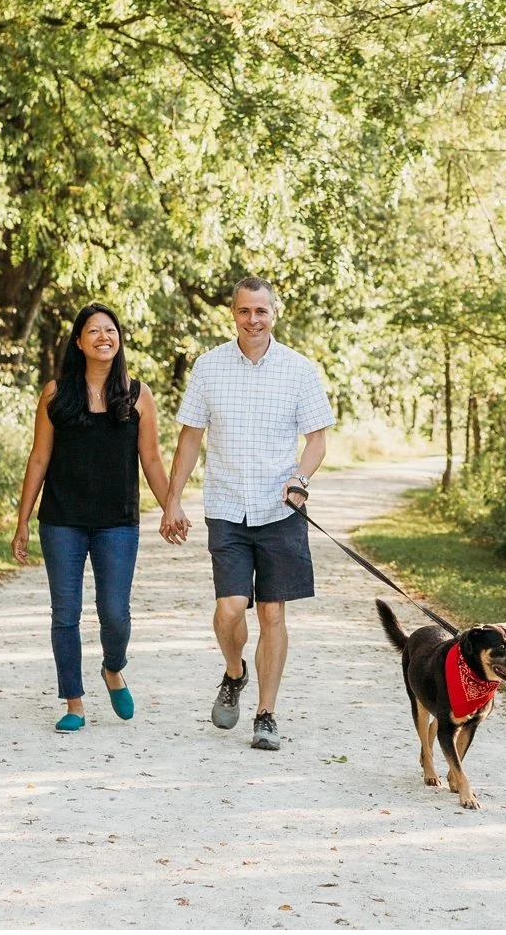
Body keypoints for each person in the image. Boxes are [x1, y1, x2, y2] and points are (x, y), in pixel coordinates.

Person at [161, 276, 336, 752]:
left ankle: (266, 713)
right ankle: (234, 672)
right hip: (227, 507)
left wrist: (301, 477)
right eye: (244, 311)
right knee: (230, 609)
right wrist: (173, 499)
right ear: (233, 314)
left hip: (280, 510)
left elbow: (317, 438)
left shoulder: (299, 370)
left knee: (274, 613)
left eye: (261, 311)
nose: (253, 319)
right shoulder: (209, 367)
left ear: (273, 314)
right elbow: (190, 436)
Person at [12, 304, 173, 731]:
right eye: (93, 330)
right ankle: (73, 702)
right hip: (62, 519)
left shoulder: (138, 395)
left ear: (118, 339)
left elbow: (153, 460)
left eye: (110, 329)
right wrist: (23, 521)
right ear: (79, 342)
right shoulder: (55, 393)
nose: (104, 336)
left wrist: (171, 505)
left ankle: (113, 668)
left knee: (115, 612)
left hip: (117, 522)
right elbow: (39, 458)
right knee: (65, 613)